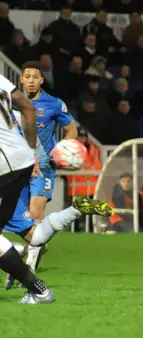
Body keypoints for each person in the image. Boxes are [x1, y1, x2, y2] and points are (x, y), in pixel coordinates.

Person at [19, 61, 78, 275]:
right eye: (28, 76)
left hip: (44, 168)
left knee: (35, 212)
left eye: (36, 77)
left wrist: (60, 150)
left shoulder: (53, 103)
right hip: (17, 168)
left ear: (42, 80)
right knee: (19, 220)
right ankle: (38, 243)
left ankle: (29, 268)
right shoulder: (11, 103)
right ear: (21, 79)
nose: (32, 80)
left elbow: (71, 131)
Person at [0, 73, 54, 303]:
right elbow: (27, 107)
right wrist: (31, 151)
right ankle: (14, 250)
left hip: (4, 164)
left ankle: (38, 289)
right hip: (22, 160)